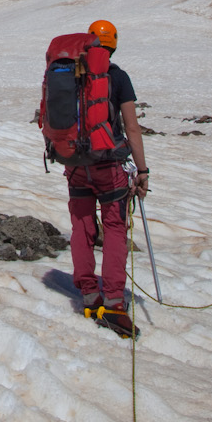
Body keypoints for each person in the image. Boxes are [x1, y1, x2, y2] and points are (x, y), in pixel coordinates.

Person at [68, 19, 150, 338]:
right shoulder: (118, 78)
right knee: (115, 227)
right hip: (109, 165)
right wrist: (142, 171)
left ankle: (89, 294)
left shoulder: (72, 72)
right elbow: (131, 127)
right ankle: (114, 301)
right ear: (113, 44)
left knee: (82, 226)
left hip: (75, 163)